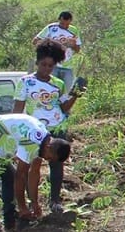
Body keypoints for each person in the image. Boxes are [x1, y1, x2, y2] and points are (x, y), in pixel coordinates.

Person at [12, 43, 81, 214]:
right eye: (43, 64)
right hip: (35, 131)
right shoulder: (25, 82)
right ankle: (32, 201)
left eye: (50, 66)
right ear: (37, 63)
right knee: (34, 165)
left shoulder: (58, 83)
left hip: (56, 128)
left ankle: (55, 201)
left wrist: (76, 95)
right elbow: (18, 110)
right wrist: (16, 135)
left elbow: (64, 107)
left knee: (57, 164)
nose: (46, 69)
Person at [0, 114, 71, 230]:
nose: (47, 160)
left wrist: (34, 203)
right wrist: (22, 207)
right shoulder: (32, 141)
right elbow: (21, 175)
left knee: (9, 178)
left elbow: (34, 173)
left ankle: (9, 223)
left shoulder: (43, 140)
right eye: (50, 157)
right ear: (48, 147)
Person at [32, 11, 82, 93]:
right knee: (50, 89)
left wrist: (73, 45)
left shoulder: (74, 30)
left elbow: (78, 49)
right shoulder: (51, 28)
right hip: (52, 65)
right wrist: (54, 43)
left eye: (67, 24)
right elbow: (35, 41)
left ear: (70, 21)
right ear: (59, 20)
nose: (64, 26)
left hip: (68, 66)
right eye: (62, 24)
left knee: (66, 92)